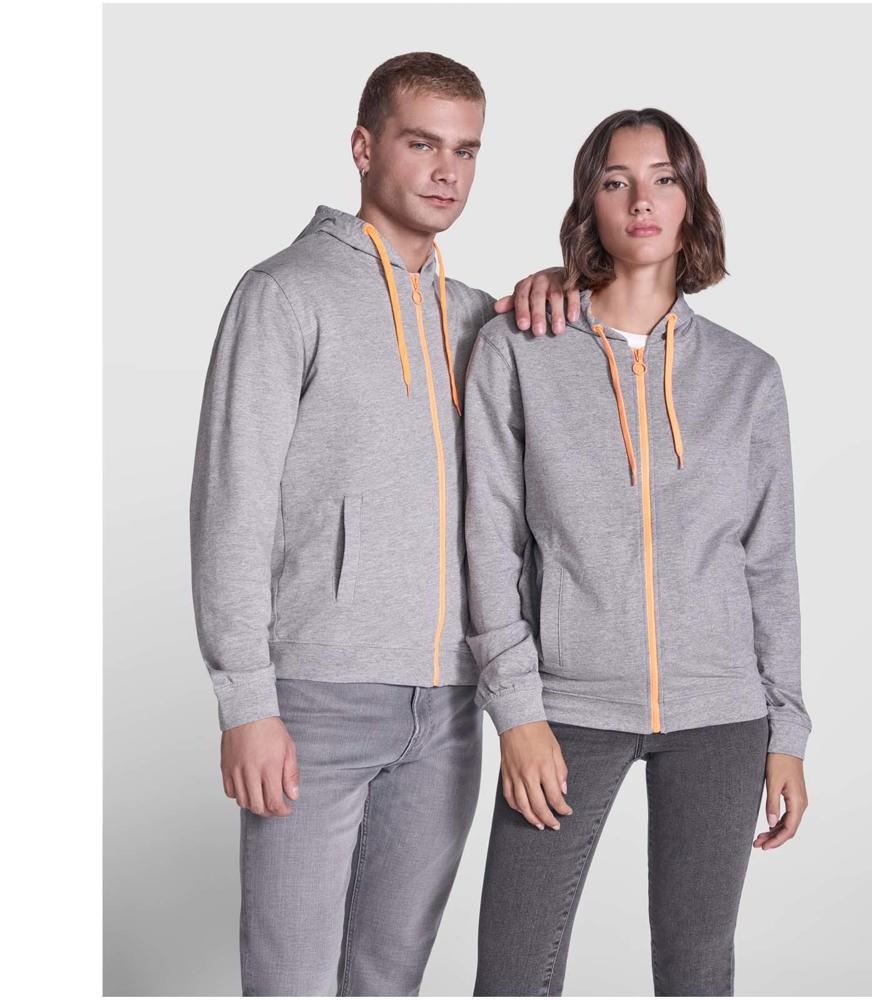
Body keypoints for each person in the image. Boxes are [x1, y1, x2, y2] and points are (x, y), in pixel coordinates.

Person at [189, 52, 572, 997]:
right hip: (315, 700)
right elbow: (232, 506)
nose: (447, 171)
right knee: (289, 982)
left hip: (448, 708)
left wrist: (565, 282)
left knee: (388, 981)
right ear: (364, 148)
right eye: (422, 144)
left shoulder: (480, 319)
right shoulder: (284, 294)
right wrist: (247, 702)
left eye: (467, 151)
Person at [463, 107, 813, 996]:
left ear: (692, 200)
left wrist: (787, 731)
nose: (641, 200)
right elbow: (490, 541)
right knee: (512, 973)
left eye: (663, 179)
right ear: (591, 201)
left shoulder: (747, 375)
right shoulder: (520, 350)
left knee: (697, 972)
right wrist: (517, 713)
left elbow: (769, 563)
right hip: (566, 706)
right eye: (616, 181)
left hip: (721, 713)